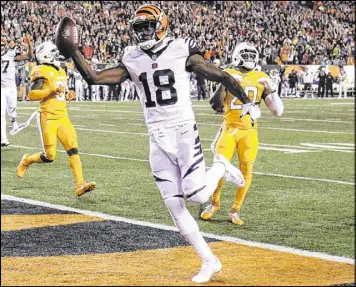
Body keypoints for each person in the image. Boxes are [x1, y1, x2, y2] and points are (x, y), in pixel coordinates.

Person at [56, 5, 260, 283]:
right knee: (175, 208)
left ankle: (221, 167)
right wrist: (74, 53)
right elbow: (94, 78)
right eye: (137, 28)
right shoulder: (131, 56)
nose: (142, 32)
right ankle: (209, 260)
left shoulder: (180, 48)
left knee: (198, 196)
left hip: (183, 131)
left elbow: (222, 75)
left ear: (162, 25)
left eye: (147, 26)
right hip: (156, 137)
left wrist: (248, 103)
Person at [202, 42, 284, 225]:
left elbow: (278, 111)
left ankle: (235, 210)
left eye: (251, 54)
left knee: (246, 170)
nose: (248, 58)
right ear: (237, 55)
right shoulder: (228, 73)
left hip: (249, 132)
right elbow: (215, 105)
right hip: (229, 129)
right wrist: (224, 83)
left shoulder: (262, 77)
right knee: (220, 167)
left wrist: (272, 89)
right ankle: (214, 203)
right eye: (244, 54)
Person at [16, 42, 96, 197]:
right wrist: (50, 90)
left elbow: (60, 94)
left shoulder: (61, 70)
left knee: (73, 148)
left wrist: (68, 96)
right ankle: (27, 160)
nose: (57, 54)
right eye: (53, 51)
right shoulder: (41, 70)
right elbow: (31, 95)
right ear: (45, 54)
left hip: (62, 116)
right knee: (50, 156)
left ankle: (80, 184)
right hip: (48, 117)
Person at [1, 34, 33, 147]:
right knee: (1, 114)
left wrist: (29, 44)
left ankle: (14, 122)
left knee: (12, 110)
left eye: (2, 45)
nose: (1, 47)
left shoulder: (11, 54)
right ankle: (3, 138)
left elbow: (29, 56)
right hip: (1, 89)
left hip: (11, 87)